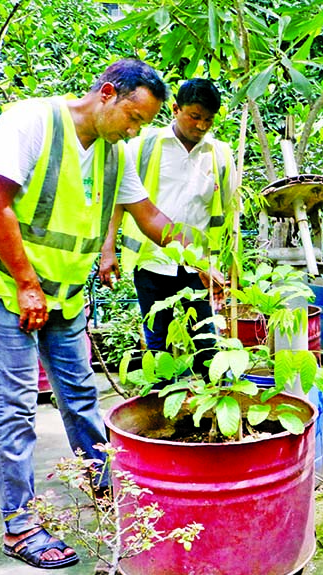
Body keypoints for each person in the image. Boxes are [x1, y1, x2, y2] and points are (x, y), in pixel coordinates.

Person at [0, 59, 215, 570]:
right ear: (107, 94)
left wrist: (204, 262)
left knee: (82, 394)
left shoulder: (116, 152)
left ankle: (106, 488)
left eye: (143, 124)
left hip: (64, 295)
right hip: (6, 288)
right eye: (133, 117)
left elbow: (150, 216)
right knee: (17, 407)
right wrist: (25, 285)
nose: (135, 130)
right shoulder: (30, 122)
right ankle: (20, 526)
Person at [98, 78, 234, 372]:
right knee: (157, 341)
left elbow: (225, 214)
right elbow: (118, 200)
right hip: (152, 262)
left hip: (199, 268)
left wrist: (223, 264)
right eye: (194, 116)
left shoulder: (220, 155)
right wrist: (108, 250)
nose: (200, 126)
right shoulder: (143, 146)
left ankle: (207, 407)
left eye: (208, 120)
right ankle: (160, 407)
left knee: (207, 342)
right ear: (175, 109)